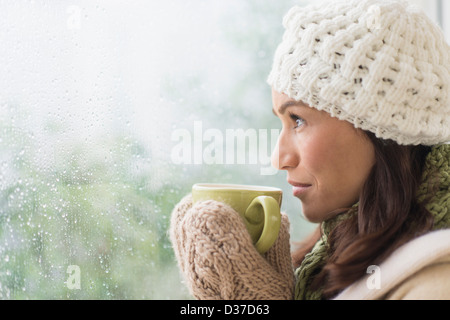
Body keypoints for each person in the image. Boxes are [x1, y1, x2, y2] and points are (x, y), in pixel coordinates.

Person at [169, 0, 450, 300]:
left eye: (298, 120)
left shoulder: (435, 284)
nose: (278, 158)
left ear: (380, 129)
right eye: (282, 121)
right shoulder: (330, 255)